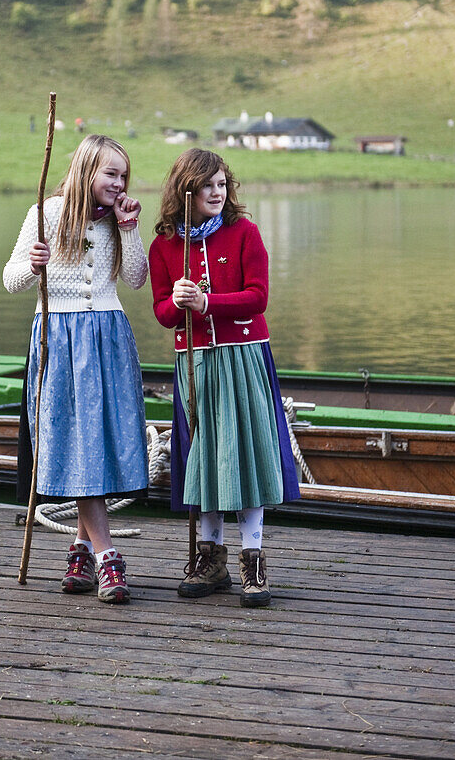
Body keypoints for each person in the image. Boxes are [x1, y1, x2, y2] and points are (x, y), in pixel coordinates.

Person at [148, 148, 300, 607]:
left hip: (243, 358)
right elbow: (162, 314)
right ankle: (210, 560)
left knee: (248, 457)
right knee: (206, 459)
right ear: (184, 191)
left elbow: (258, 297)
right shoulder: (164, 246)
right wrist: (178, 303)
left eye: (222, 184)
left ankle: (253, 562)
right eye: (207, 186)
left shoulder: (245, 233)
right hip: (194, 364)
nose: (218, 193)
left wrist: (208, 304)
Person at [3, 134, 149, 604]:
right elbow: (10, 281)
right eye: (111, 173)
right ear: (87, 171)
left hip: (106, 337)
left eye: (124, 175)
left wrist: (129, 228)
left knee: (98, 443)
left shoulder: (118, 221)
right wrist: (33, 263)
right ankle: (108, 557)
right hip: (58, 340)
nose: (119, 182)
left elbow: (136, 278)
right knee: (78, 443)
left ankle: (82, 549)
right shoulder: (44, 215)